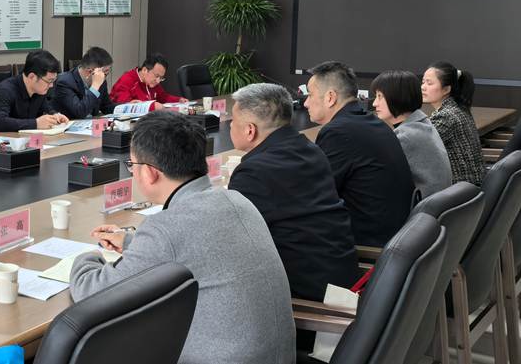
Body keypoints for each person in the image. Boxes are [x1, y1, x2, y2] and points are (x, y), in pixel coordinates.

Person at [70, 112, 295, 364]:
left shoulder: (166, 229)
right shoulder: (236, 199)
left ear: (150, 173)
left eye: (132, 165)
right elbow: (198, 248)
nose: (132, 172)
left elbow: (93, 293)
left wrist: (88, 255)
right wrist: (134, 242)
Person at [227, 83, 360, 302]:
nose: (231, 125)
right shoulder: (311, 150)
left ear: (250, 130)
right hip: (341, 276)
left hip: (306, 294)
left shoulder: (254, 172)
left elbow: (235, 243)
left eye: (232, 120)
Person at [305, 61, 414, 247]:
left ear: (330, 97)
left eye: (310, 94)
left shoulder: (339, 132)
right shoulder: (374, 123)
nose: (306, 102)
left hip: (368, 247)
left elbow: (314, 195)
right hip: (396, 237)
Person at [371, 70, 452, 197]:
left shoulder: (406, 137)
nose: (374, 103)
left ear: (397, 97)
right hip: (436, 204)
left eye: (380, 96)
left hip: (421, 206)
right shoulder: (422, 124)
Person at [423, 62, 484, 186]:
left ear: (446, 89)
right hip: (470, 187)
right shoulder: (458, 108)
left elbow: (419, 146)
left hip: (460, 191)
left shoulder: (446, 116)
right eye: (423, 82)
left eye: (429, 83)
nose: (423, 87)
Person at [0, 50, 69, 132]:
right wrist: (36, 123)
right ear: (32, 76)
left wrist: (55, 115)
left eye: (53, 81)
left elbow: (46, 107)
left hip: (21, 138)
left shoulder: (39, 90)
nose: (51, 85)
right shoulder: (5, 90)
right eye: (49, 81)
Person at [52, 47, 114, 119]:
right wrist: (95, 86)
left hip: (91, 124)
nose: (103, 76)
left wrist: (124, 108)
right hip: (69, 124)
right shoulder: (64, 82)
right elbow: (80, 112)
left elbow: (106, 106)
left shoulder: (100, 81)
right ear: (90, 71)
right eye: (105, 72)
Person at [109, 53, 189, 106]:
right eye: (156, 76)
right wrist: (152, 106)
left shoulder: (152, 82)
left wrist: (179, 100)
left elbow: (163, 97)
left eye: (161, 78)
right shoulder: (127, 80)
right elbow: (125, 106)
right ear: (145, 70)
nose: (158, 81)